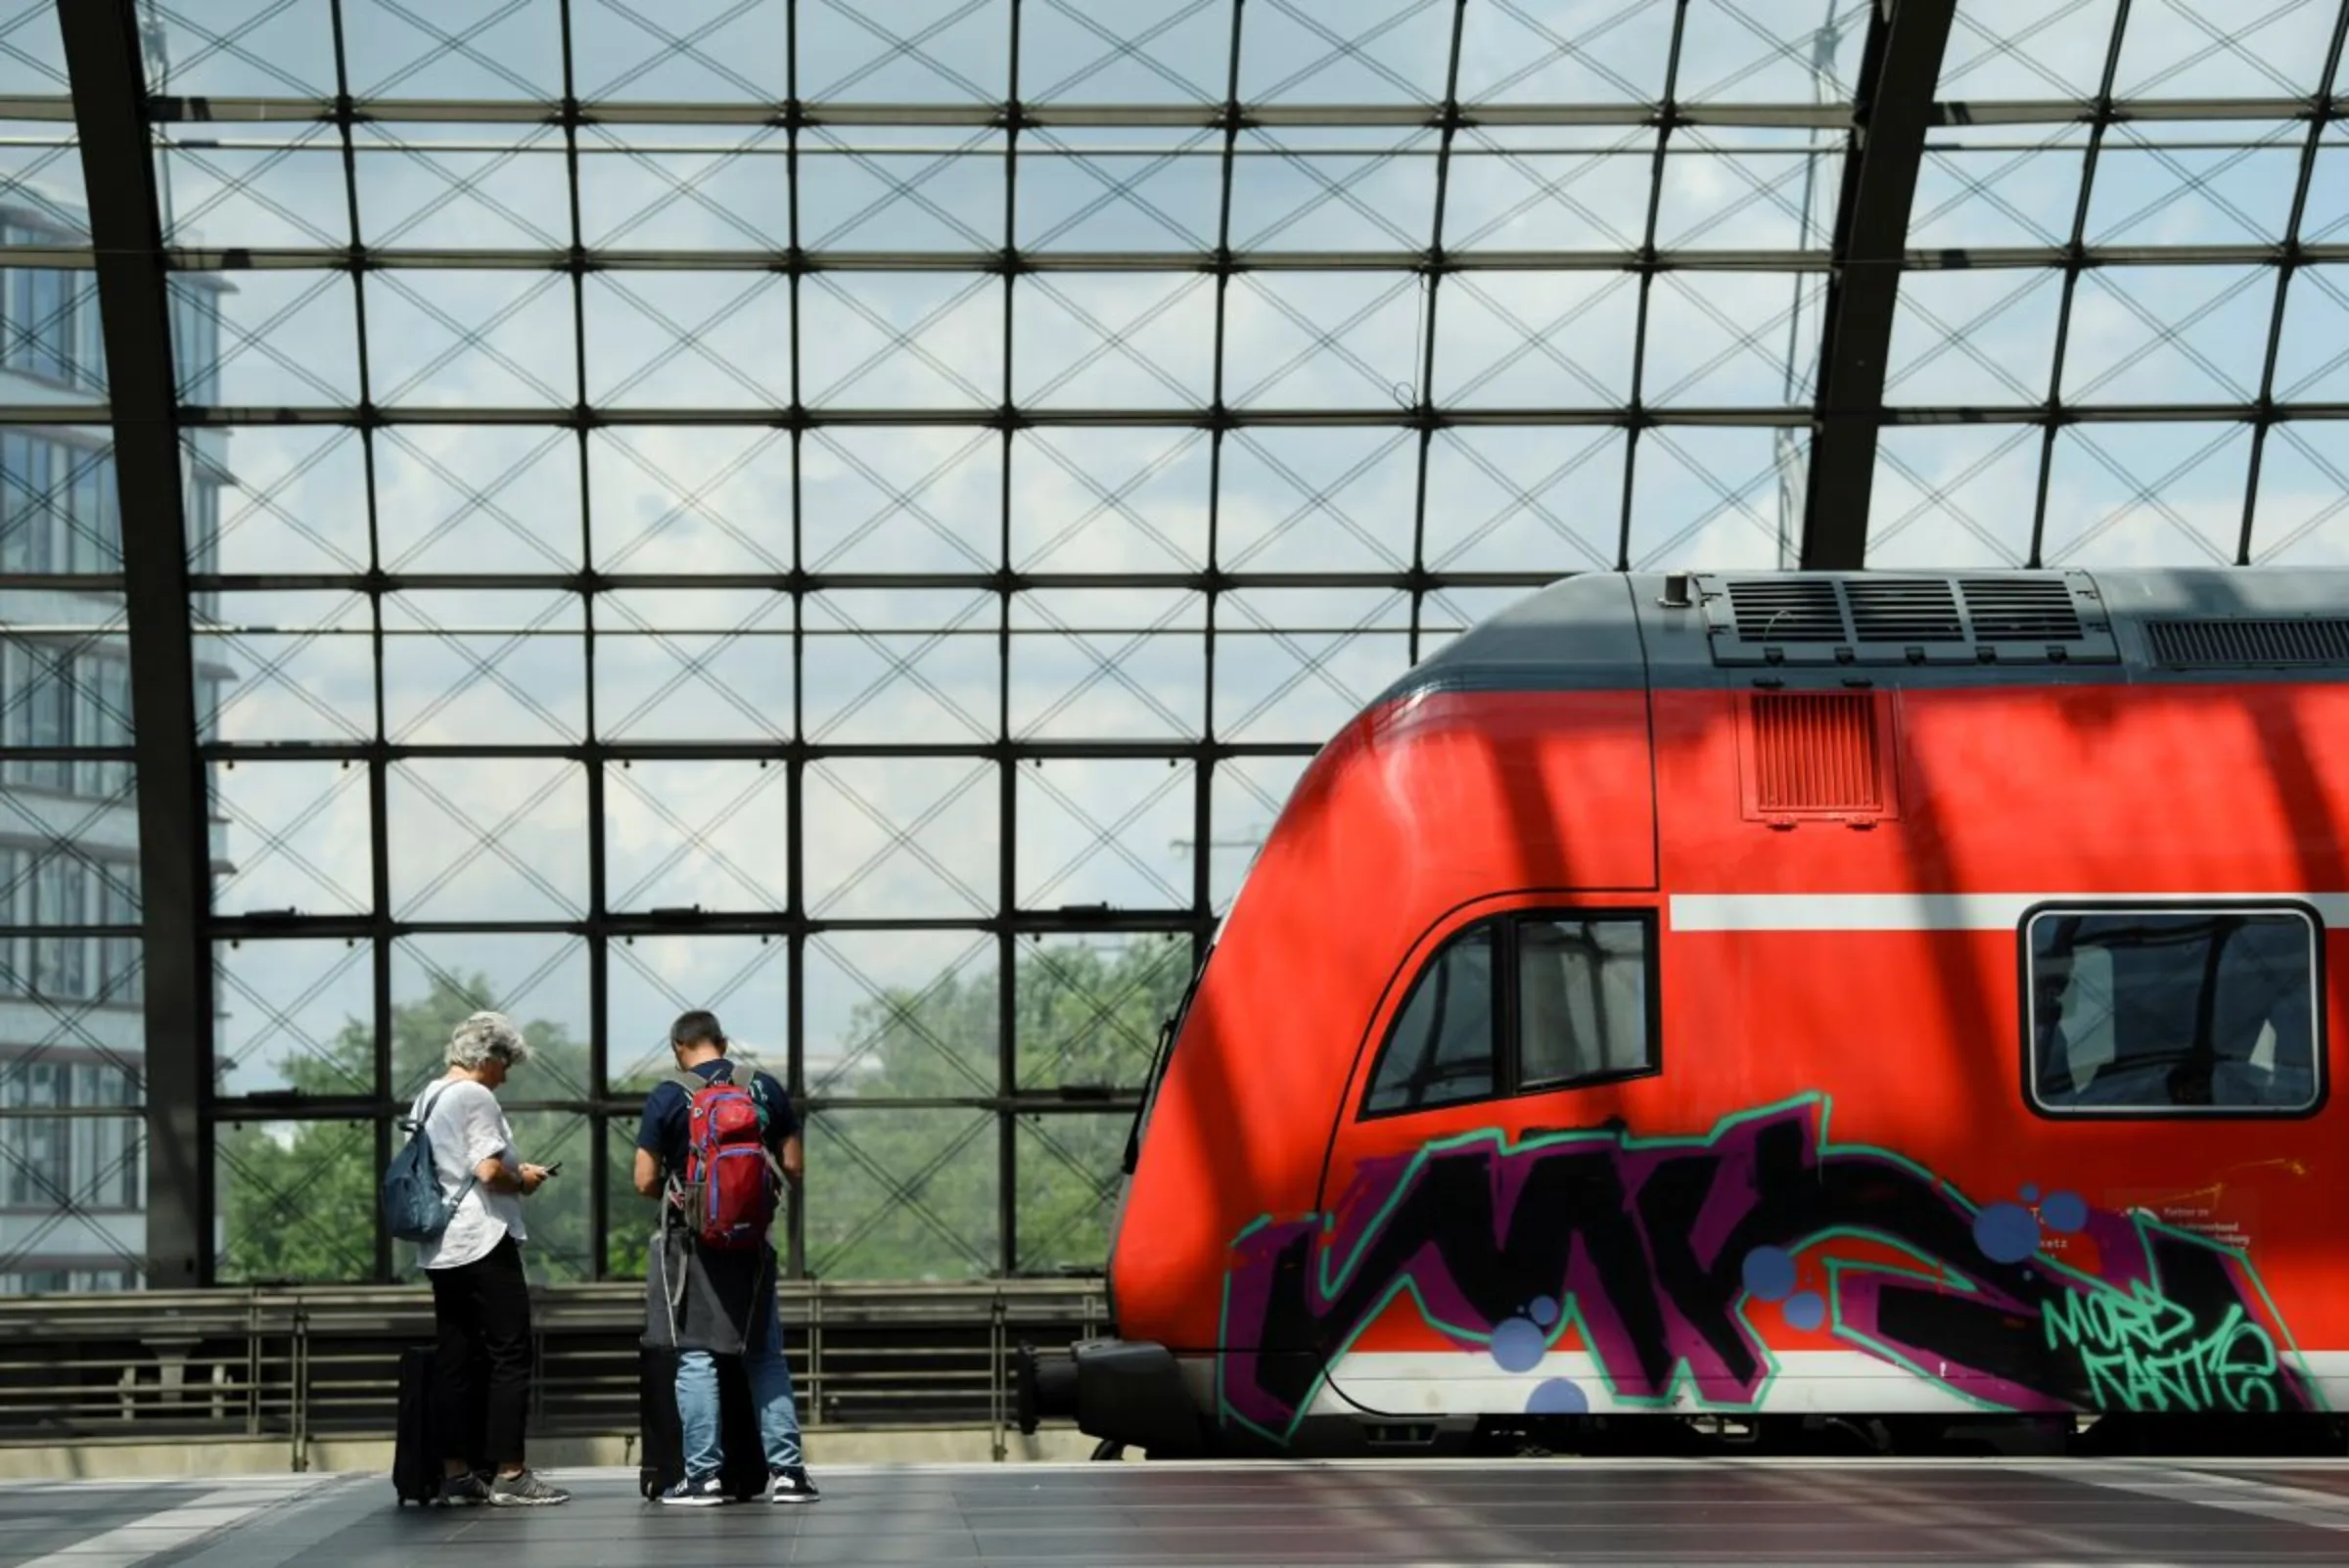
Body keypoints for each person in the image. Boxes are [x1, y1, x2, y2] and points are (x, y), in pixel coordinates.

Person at [633, 1009, 820, 1505]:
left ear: (678, 1047)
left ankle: (704, 1477)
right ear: (723, 1042)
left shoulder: (670, 1094)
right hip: (752, 1245)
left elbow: (643, 1179)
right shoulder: (764, 1087)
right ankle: (790, 1475)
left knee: (695, 1356)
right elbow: (795, 1165)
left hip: (692, 1246)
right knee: (764, 1355)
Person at [412, 1010, 569, 1506]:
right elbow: (484, 1171)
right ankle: (510, 1471)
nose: (507, 1075)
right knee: (510, 1353)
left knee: (455, 1355)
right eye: (506, 1063)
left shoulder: (428, 1095)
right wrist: (521, 1179)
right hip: (483, 1239)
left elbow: (452, 1167)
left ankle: (457, 1472)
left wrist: (509, 1169)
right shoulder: (475, 1095)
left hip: (442, 1246)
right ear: (488, 1058)